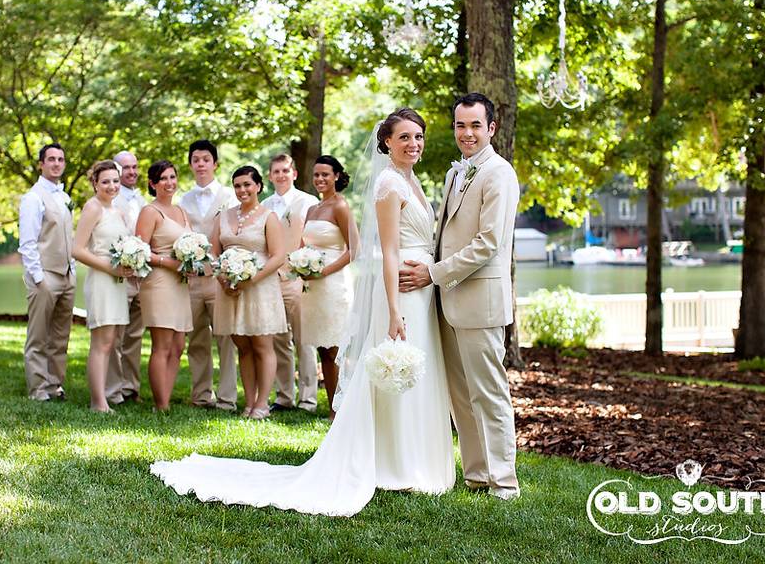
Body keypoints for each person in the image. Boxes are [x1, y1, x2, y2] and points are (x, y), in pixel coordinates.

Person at [151, 109, 455, 516]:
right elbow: (388, 252)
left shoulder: (411, 180)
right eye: (404, 137)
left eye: (418, 136)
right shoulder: (387, 184)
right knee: (391, 369)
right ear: (386, 143)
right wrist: (394, 310)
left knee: (418, 369)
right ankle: (395, 464)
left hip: (422, 288)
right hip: (399, 290)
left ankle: (415, 458)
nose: (413, 144)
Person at [399, 92, 521, 500]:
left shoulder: (499, 173)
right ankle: (477, 475)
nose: (466, 133)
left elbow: (488, 243)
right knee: (461, 396)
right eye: (459, 125)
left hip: (479, 301)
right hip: (447, 300)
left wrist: (432, 274)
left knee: (489, 393)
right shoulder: (456, 174)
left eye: (474, 125)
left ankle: (504, 482)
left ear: (491, 128)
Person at [211, 166, 287, 419]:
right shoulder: (223, 216)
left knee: (262, 344)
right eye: (237, 185)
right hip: (230, 288)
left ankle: (263, 403)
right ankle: (249, 401)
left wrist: (251, 279)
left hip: (260, 288)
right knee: (242, 344)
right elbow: (214, 253)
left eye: (247, 184)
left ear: (258, 186)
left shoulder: (269, 216)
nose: (242, 190)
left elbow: (278, 257)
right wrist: (223, 278)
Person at [178, 140, 239, 410]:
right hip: (192, 280)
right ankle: (201, 394)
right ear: (191, 165)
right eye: (195, 160)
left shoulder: (229, 196)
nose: (200, 164)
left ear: (215, 164)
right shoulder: (184, 200)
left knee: (226, 338)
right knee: (197, 338)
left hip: (219, 279)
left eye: (205, 159)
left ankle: (227, 397)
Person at [72, 161, 134, 412]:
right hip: (102, 280)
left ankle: (105, 396)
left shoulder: (118, 212)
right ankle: (98, 402)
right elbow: (76, 249)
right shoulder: (92, 207)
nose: (111, 186)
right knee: (102, 342)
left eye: (115, 181)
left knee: (112, 341)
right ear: (95, 183)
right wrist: (109, 268)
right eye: (105, 181)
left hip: (118, 282)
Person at [261, 153, 320, 413]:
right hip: (273, 280)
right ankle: (284, 396)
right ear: (271, 176)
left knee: (304, 339)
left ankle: (308, 398)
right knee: (278, 339)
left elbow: (316, 239)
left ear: (294, 173)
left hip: (301, 278)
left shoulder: (309, 202)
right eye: (276, 171)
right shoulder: (265, 206)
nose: (281, 175)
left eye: (286, 170)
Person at [19, 143, 76, 402]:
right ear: (41, 164)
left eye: (60, 159)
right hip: (45, 276)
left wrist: (71, 270)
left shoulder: (64, 197)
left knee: (60, 336)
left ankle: (55, 384)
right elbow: (28, 243)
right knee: (39, 336)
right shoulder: (33, 197)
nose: (56, 163)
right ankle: (38, 389)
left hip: (66, 275)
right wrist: (39, 278)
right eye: (51, 159)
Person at [300, 155, 356, 420]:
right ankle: (333, 405)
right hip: (313, 286)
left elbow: (354, 250)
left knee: (335, 347)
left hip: (334, 283)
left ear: (336, 176)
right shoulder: (312, 209)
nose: (320, 179)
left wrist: (324, 271)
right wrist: (300, 266)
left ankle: (342, 409)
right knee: (323, 346)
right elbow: (305, 244)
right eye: (316, 175)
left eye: (325, 174)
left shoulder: (340, 206)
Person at [136, 160, 194, 411]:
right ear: (152, 184)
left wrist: (194, 260)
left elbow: (192, 242)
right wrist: (169, 262)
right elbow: (140, 251)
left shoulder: (180, 211)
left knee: (178, 344)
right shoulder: (150, 212)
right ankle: (161, 405)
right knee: (162, 344)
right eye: (163, 179)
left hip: (180, 283)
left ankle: (165, 400)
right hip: (159, 282)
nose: (170, 183)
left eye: (173, 177)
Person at [107, 150, 147, 405]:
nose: (131, 172)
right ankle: (113, 389)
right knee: (115, 335)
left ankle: (131, 387)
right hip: (119, 276)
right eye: (126, 168)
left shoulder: (143, 200)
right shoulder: (110, 199)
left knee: (135, 336)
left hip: (142, 278)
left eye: (134, 167)